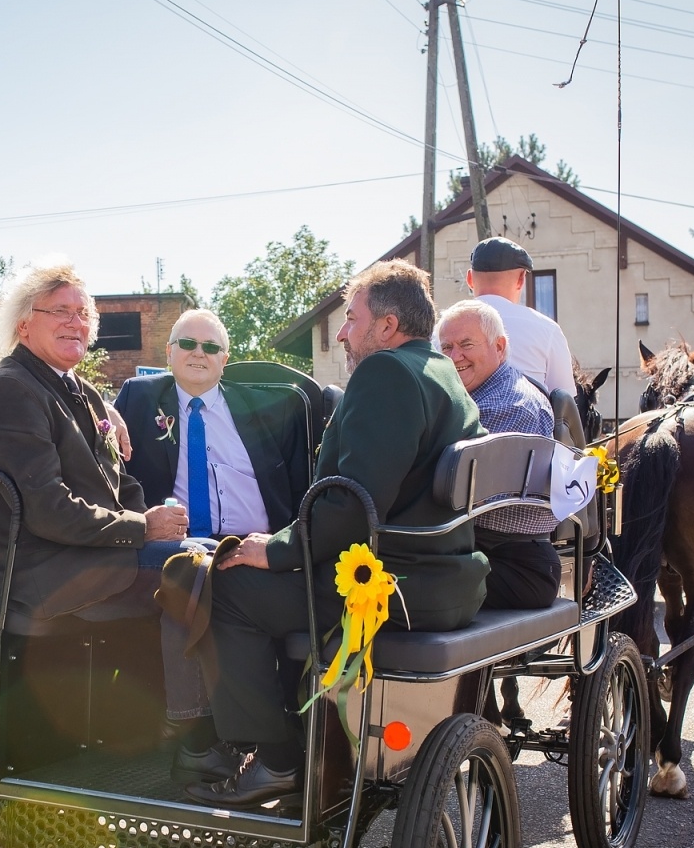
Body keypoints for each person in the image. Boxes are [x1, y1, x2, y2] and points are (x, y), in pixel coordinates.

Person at [190, 261, 490, 807]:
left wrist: (274, 550)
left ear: (388, 325)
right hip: (442, 580)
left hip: (392, 586)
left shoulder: (387, 374)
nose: (344, 333)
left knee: (228, 588)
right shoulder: (441, 371)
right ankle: (296, 737)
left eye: (351, 320)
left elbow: (355, 503)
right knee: (259, 585)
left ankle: (275, 760)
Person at [0, 262, 220, 778]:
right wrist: (143, 529)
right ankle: (190, 733)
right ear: (23, 324)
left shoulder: (73, 389)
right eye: (59, 311)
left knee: (214, 556)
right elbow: (49, 509)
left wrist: (154, 518)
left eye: (84, 314)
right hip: (39, 565)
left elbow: (118, 485)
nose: (75, 323)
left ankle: (161, 719)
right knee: (195, 570)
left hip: (77, 551)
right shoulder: (12, 390)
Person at [114, 309, 309, 537]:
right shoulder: (139, 398)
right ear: (169, 352)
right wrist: (106, 410)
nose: (199, 353)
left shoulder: (268, 410)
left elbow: (299, 491)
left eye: (210, 347)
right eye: (187, 343)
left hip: (253, 550)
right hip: (171, 550)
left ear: (224, 360)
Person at [435, 300, 561, 611]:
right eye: (446, 346)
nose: (454, 356)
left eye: (466, 344)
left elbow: (452, 495)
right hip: (481, 551)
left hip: (515, 564)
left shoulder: (506, 405)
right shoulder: (477, 394)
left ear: (500, 346)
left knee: (401, 583)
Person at [445, 236, 576, 398]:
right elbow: (565, 403)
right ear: (521, 279)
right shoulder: (547, 330)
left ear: (470, 279)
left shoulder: (440, 332)